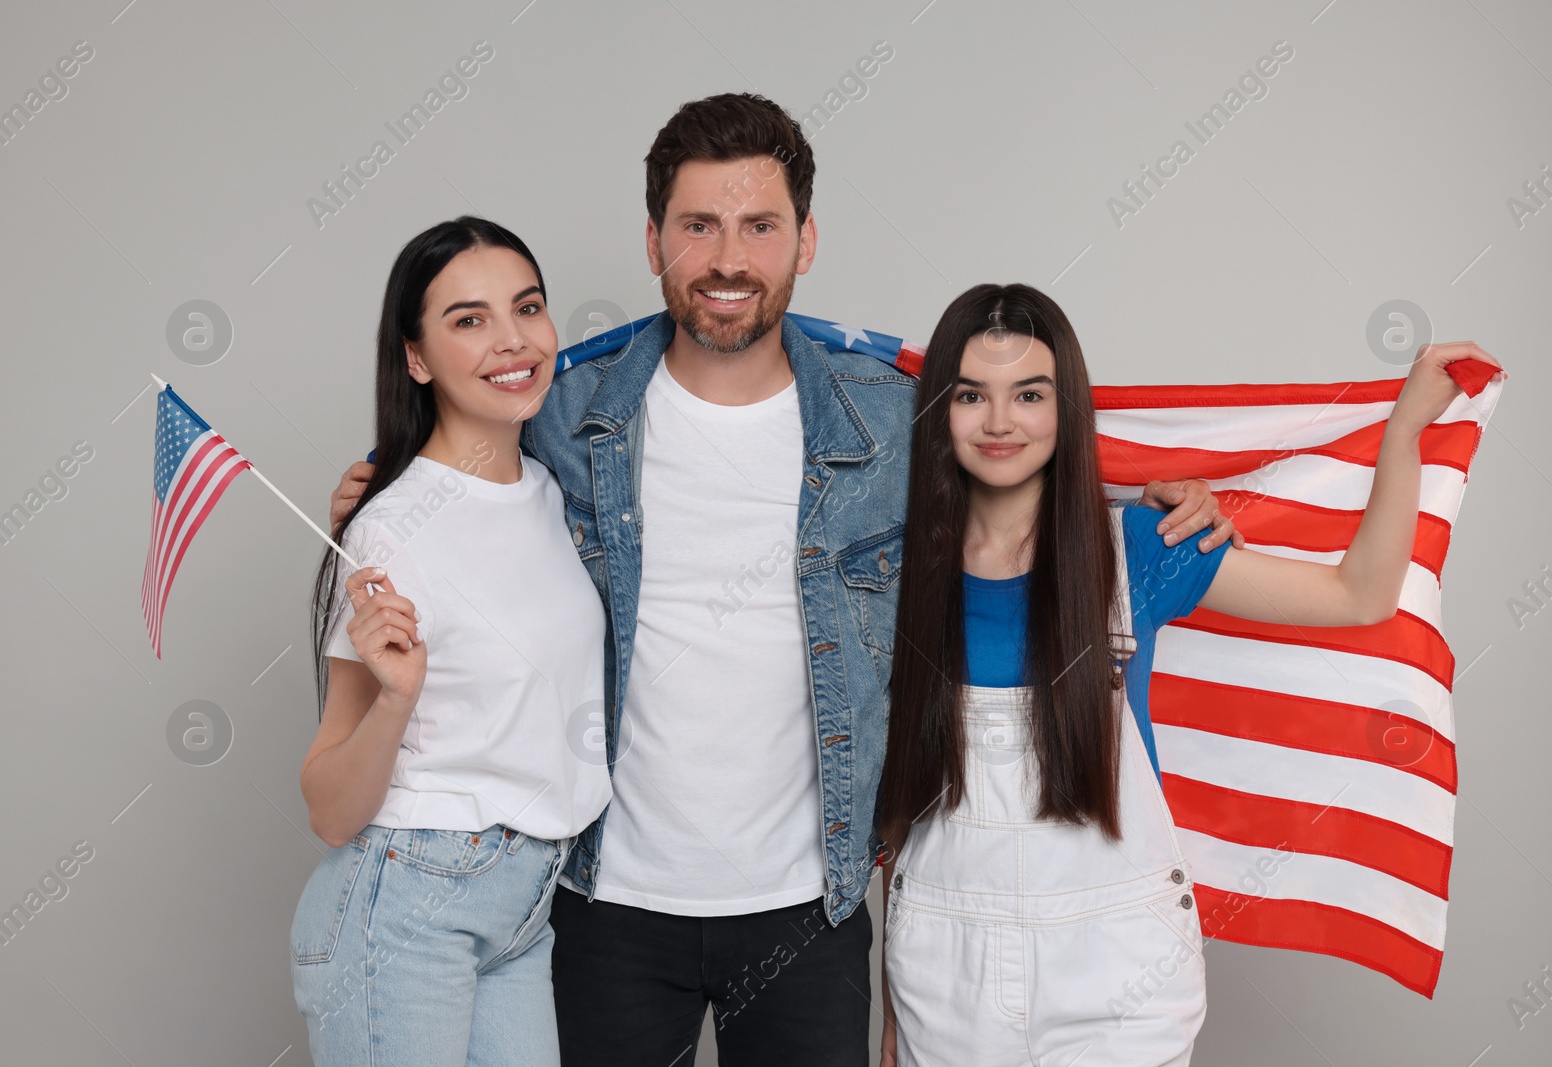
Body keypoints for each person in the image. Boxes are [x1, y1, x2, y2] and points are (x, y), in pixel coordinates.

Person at [331, 94, 1236, 1066]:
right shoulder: (568, 409)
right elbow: (462, 453)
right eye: (698, 226)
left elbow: (1017, 459)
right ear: (653, 242)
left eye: (759, 225)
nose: (728, 258)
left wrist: (1144, 494)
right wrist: (384, 487)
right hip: (607, 901)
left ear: (805, 240)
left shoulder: (891, 420)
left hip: (810, 907)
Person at [874, 283, 1503, 1067]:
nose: (1000, 421)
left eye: (1029, 394)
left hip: (1118, 973)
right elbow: (905, 797)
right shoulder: (892, 574)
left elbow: (1359, 594)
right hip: (944, 969)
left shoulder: (1141, 545)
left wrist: (1404, 428)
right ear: (941, 407)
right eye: (972, 394)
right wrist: (899, 992)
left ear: (1066, 409)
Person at [291, 217, 610, 1066]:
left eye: (528, 307)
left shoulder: (552, 490)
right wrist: (396, 696)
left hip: (523, 905)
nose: (512, 340)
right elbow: (329, 806)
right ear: (417, 357)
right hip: (407, 899)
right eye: (469, 319)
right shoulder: (390, 529)